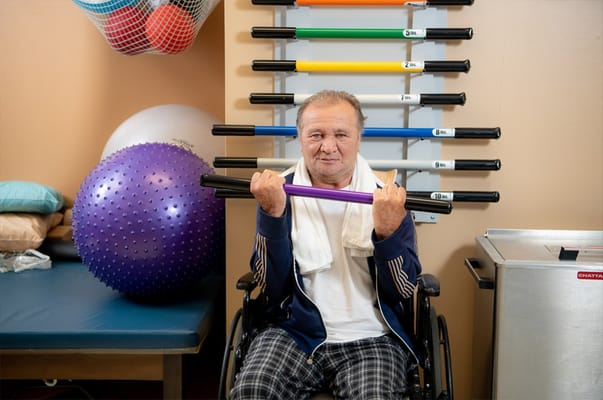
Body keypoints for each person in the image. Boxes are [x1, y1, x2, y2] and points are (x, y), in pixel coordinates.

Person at [230, 90, 422, 399]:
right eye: (316, 135)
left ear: (359, 137)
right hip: (294, 332)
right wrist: (272, 215)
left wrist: (387, 234)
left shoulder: (387, 197)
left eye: (341, 135)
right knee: (252, 390)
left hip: (372, 337)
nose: (328, 147)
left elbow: (402, 290)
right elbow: (270, 287)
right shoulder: (278, 192)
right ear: (300, 137)